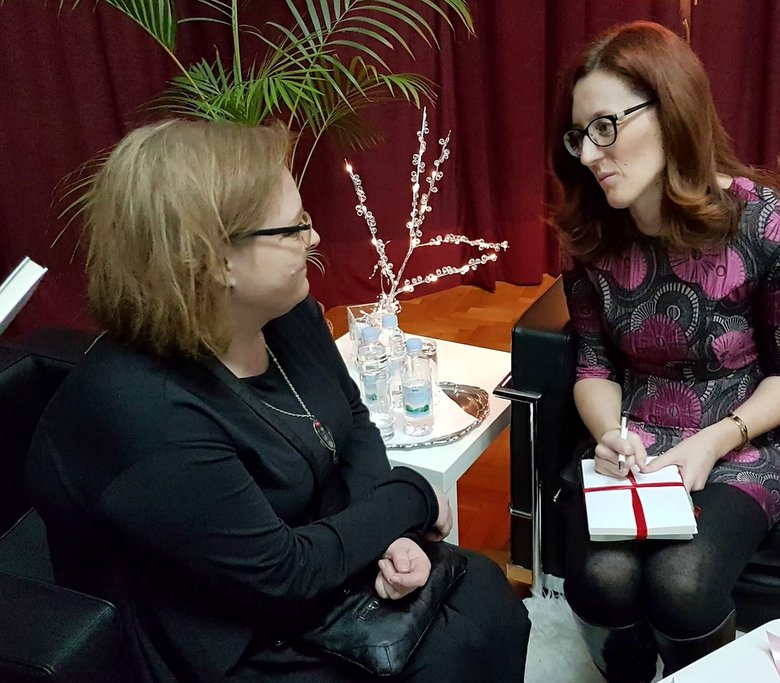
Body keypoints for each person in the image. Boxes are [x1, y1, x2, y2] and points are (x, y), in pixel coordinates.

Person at [25, 119, 530, 682]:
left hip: (309, 557)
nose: (314, 239)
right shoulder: (142, 410)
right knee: (446, 660)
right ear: (215, 260)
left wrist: (391, 532)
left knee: (484, 600)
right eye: (294, 229)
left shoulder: (286, 315)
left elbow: (352, 421)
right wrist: (411, 496)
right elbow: (283, 575)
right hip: (223, 634)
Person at [550, 22, 780, 682]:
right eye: (579, 135)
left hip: (741, 438)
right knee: (601, 578)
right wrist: (609, 434)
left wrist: (714, 440)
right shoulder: (594, 235)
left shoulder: (761, 221)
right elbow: (593, 365)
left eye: (606, 127)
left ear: (671, 110)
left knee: (683, 582)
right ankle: (629, 666)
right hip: (636, 440)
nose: (590, 154)